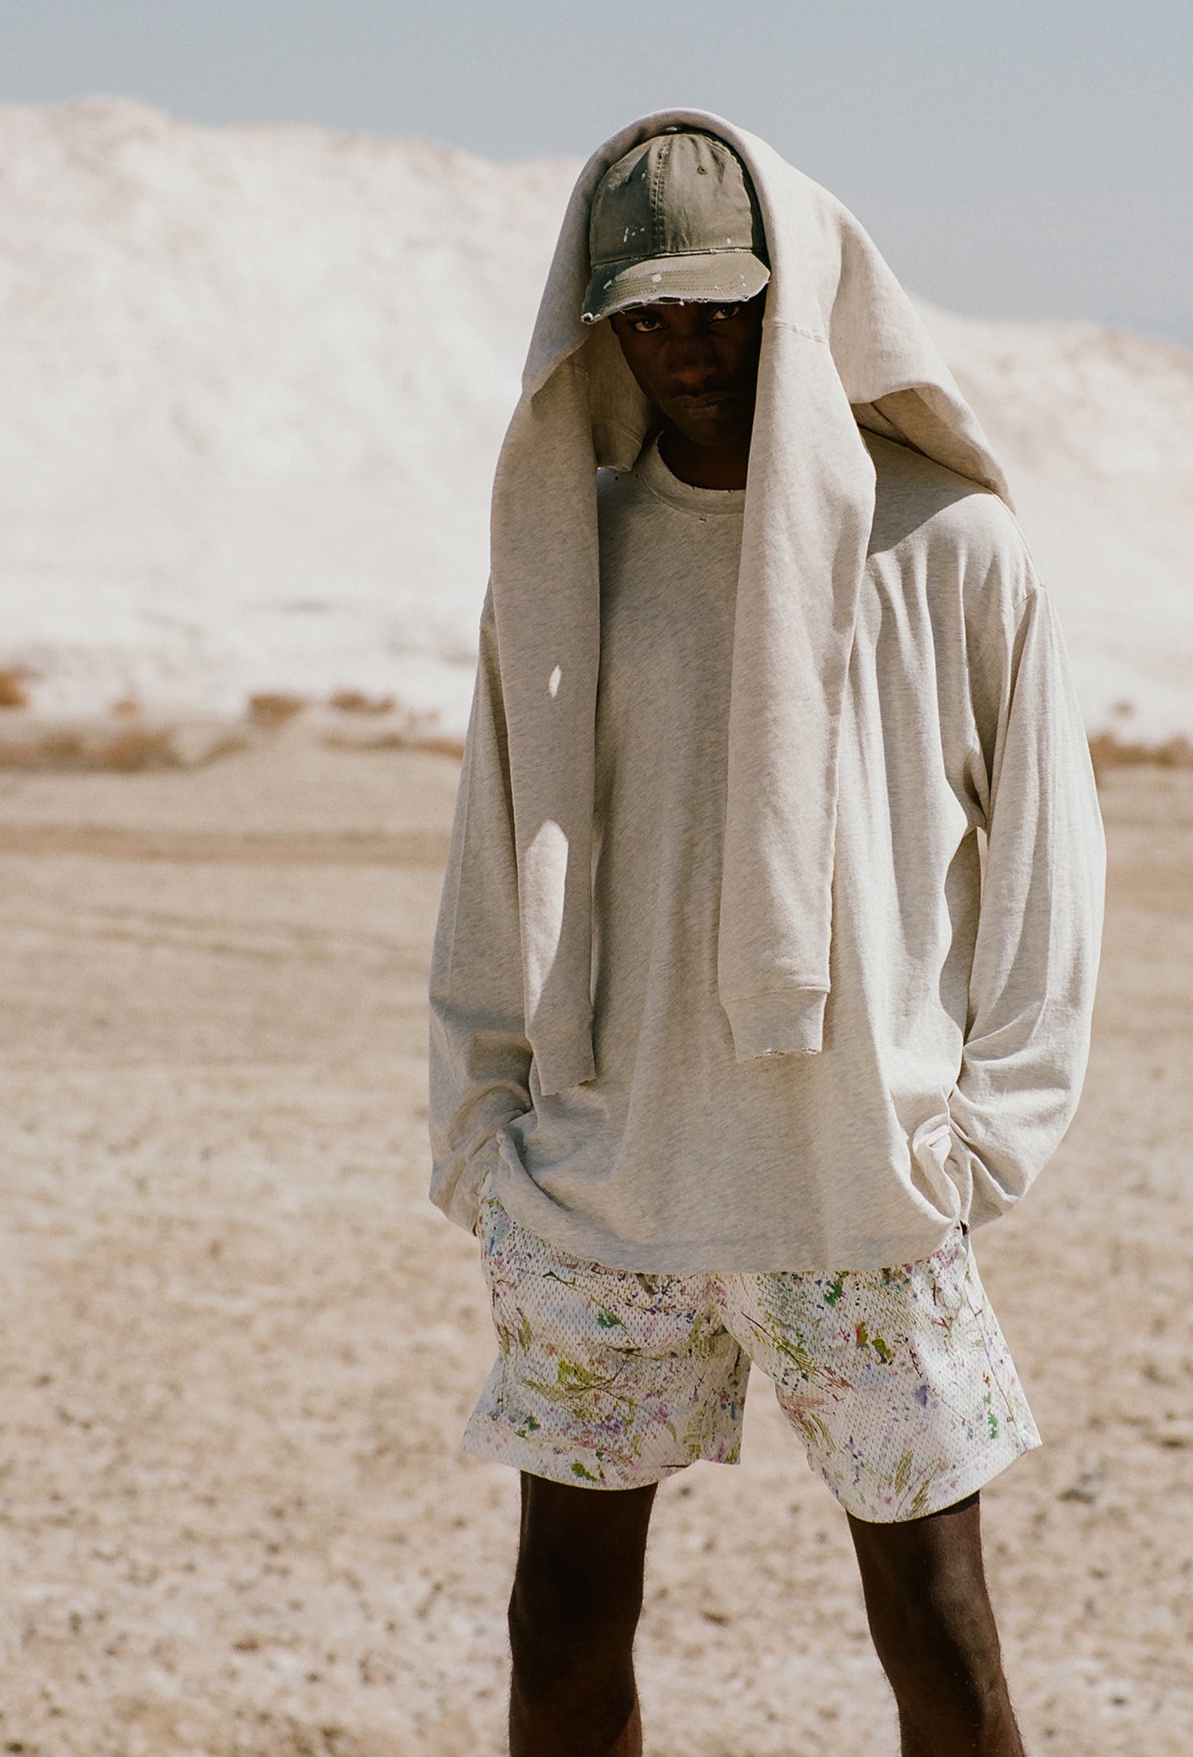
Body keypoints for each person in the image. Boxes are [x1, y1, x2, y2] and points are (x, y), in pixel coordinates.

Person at [429, 115, 1105, 1757]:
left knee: (941, 1638)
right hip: (604, 1184)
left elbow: (1050, 864)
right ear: (598, 323)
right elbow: (489, 845)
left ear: (796, 298)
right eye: (647, 313)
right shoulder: (567, 553)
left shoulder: (945, 544)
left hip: (855, 1182)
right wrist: (481, 1130)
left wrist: (982, 1139)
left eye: (721, 307)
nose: (686, 347)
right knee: (560, 1629)